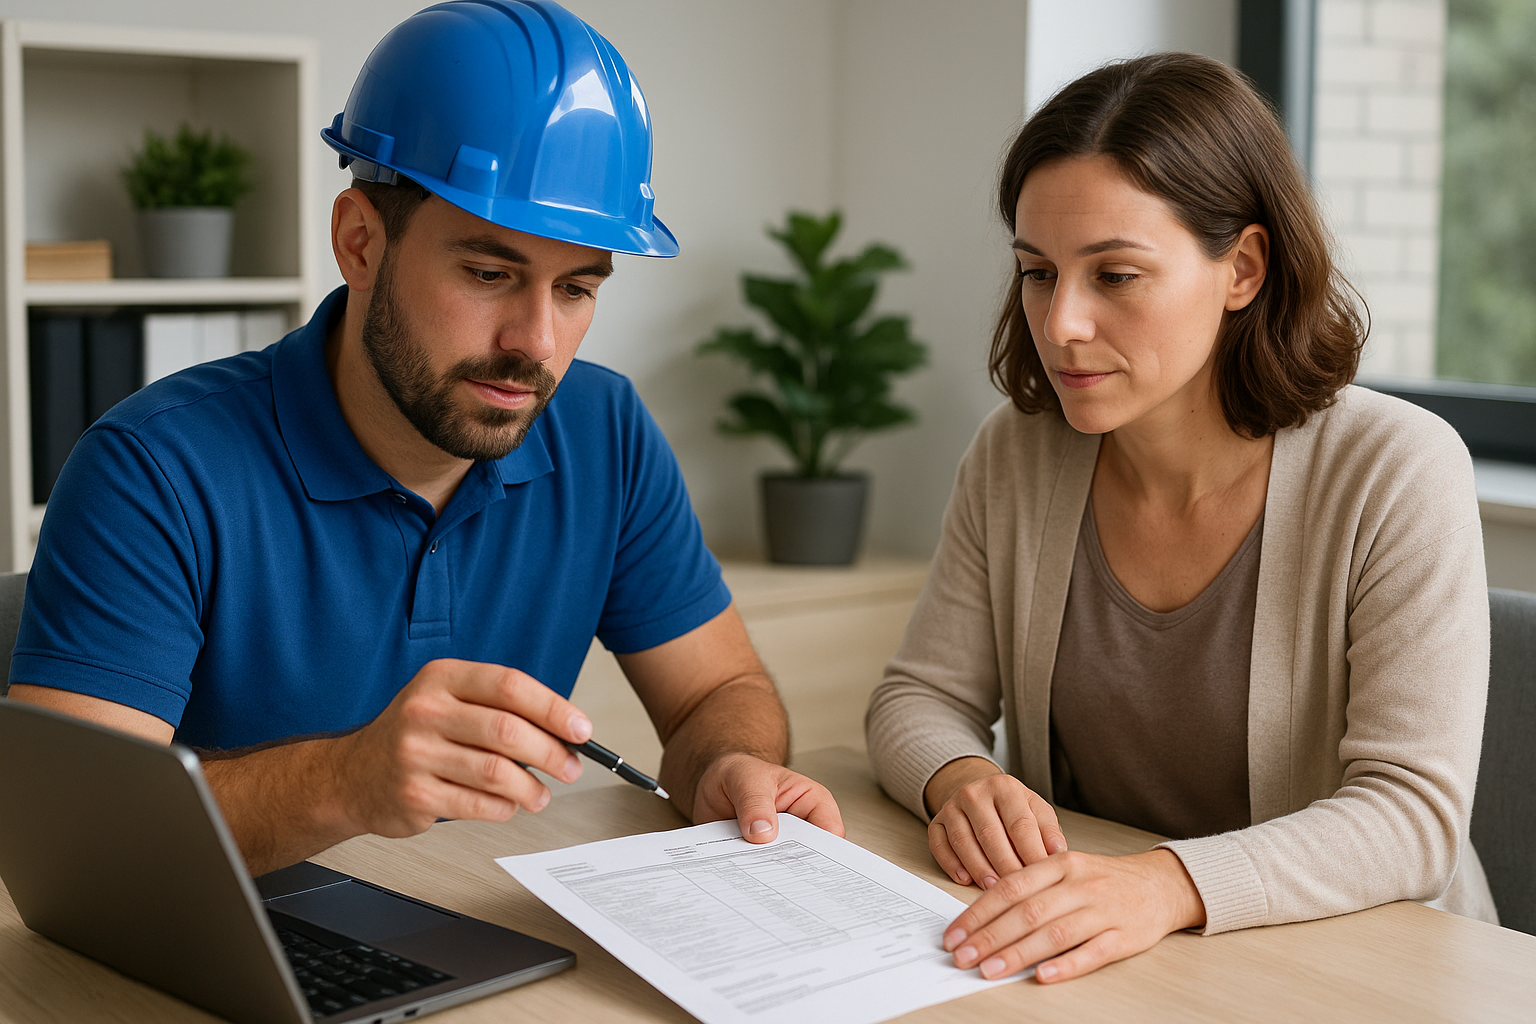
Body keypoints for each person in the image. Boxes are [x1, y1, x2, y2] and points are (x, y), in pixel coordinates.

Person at [7, 0, 841, 876]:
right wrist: (346, 779)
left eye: (577, 289)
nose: (537, 344)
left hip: (478, 926)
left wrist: (728, 764)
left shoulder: (604, 429)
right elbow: (82, 844)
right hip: (221, 955)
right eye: (489, 273)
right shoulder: (152, 470)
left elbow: (719, 690)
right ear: (360, 242)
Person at [865, 52, 1497, 985]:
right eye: (1039, 274)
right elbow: (917, 697)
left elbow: (1412, 819)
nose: (1062, 322)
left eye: (1115, 276)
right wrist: (959, 779)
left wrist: (1162, 887)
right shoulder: (1018, 452)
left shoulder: (1398, 469)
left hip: (1365, 970)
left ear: (1241, 268)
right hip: (1115, 961)